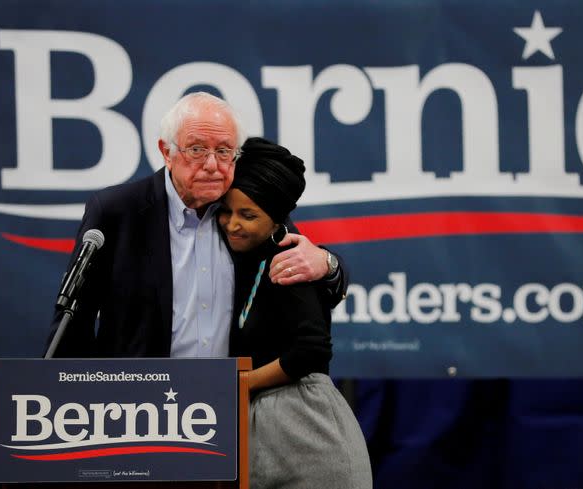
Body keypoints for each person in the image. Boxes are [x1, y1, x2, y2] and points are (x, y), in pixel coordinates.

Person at [46, 91, 346, 357]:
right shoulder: (117, 212)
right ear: (167, 152)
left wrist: (327, 263)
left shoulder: (246, 211)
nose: (212, 164)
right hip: (136, 404)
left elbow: (321, 290)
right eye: (197, 149)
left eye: (224, 151)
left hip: (228, 403)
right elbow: (74, 321)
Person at [218, 137, 372, 489]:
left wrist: (240, 385)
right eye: (226, 210)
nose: (232, 223)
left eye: (248, 215)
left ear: (277, 222)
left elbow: (312, 351)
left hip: (308, 435)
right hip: (255, 434)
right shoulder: (238, 256)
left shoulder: (292, 260)